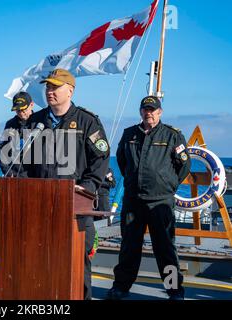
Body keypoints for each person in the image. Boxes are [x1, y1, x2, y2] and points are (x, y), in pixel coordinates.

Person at [23, 69, 110, 300]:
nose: (49, 91)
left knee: (78, 265)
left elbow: (100, 159)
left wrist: (88, 187)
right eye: (48, 87)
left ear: (70, 91)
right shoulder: (36, 121)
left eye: (55, 87)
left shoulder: (87, 121)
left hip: (75, 207)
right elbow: (22, 162)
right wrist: (26, 187)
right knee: (41, 262)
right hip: (41, 204)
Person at [107, 96, 191, 300]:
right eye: (145, 110)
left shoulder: (172, 136)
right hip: (133, 200)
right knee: (129, 246)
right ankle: (121, 287)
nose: (149, 113)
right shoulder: (129, 134)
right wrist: (133, 181)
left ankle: (173, 290)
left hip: (160, 201)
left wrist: (167, 185)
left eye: (153, 110)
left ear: (160, 112)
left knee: (165, 248)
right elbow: (122, 161)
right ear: (140, 112)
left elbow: (184, 166)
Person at [0, 91, 34, 177]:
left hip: (35, 176)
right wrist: (8, 172)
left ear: (31, 105)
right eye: (18, 110)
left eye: (24, 109)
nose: (21, 113)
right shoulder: (10, 124)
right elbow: (3, 151)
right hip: (14, 175)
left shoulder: (40, 122)